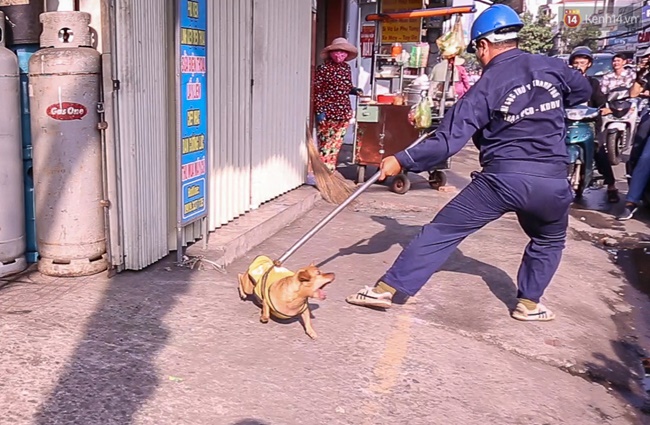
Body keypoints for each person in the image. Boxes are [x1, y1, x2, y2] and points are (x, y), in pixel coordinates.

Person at [345, 4, 592, 321]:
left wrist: (401, 159)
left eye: (478, 50)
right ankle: (529, 303)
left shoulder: (485, 86)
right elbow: (583, 90)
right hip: (552, 181)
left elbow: (447, 141)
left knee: (443, 230)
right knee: (549, 239)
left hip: (501, 180)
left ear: (484, 45)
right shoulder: (552, 67)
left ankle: (386, 291)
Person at [568, 46, 619, 203]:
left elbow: (601, 101)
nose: (579, 66)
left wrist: (605, 109)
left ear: (589, 64)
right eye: (576, 63)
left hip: (589, 125)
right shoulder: (565, 83)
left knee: (599, 151)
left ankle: (611, 186)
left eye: (582, 63)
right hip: (567, 124)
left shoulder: (593, 83)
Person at [313, 37, 363, 172]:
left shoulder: (346, 68)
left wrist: (354, 90)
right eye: (336, 52)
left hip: (344, 112)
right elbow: (317, 91)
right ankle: (323, 171)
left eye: (343, 52)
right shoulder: (323, 69)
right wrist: (320, 111)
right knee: (326, 144)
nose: (339, 55)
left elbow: (345, 87)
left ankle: (330, 171)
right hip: (328, 113)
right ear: (330, 53)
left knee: (336, 144)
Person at [617, 46, 650, 220]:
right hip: (648, 117)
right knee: (641, 159)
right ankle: (631, 202)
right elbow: (633, 93)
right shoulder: (646, 74)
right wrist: (641, 74)